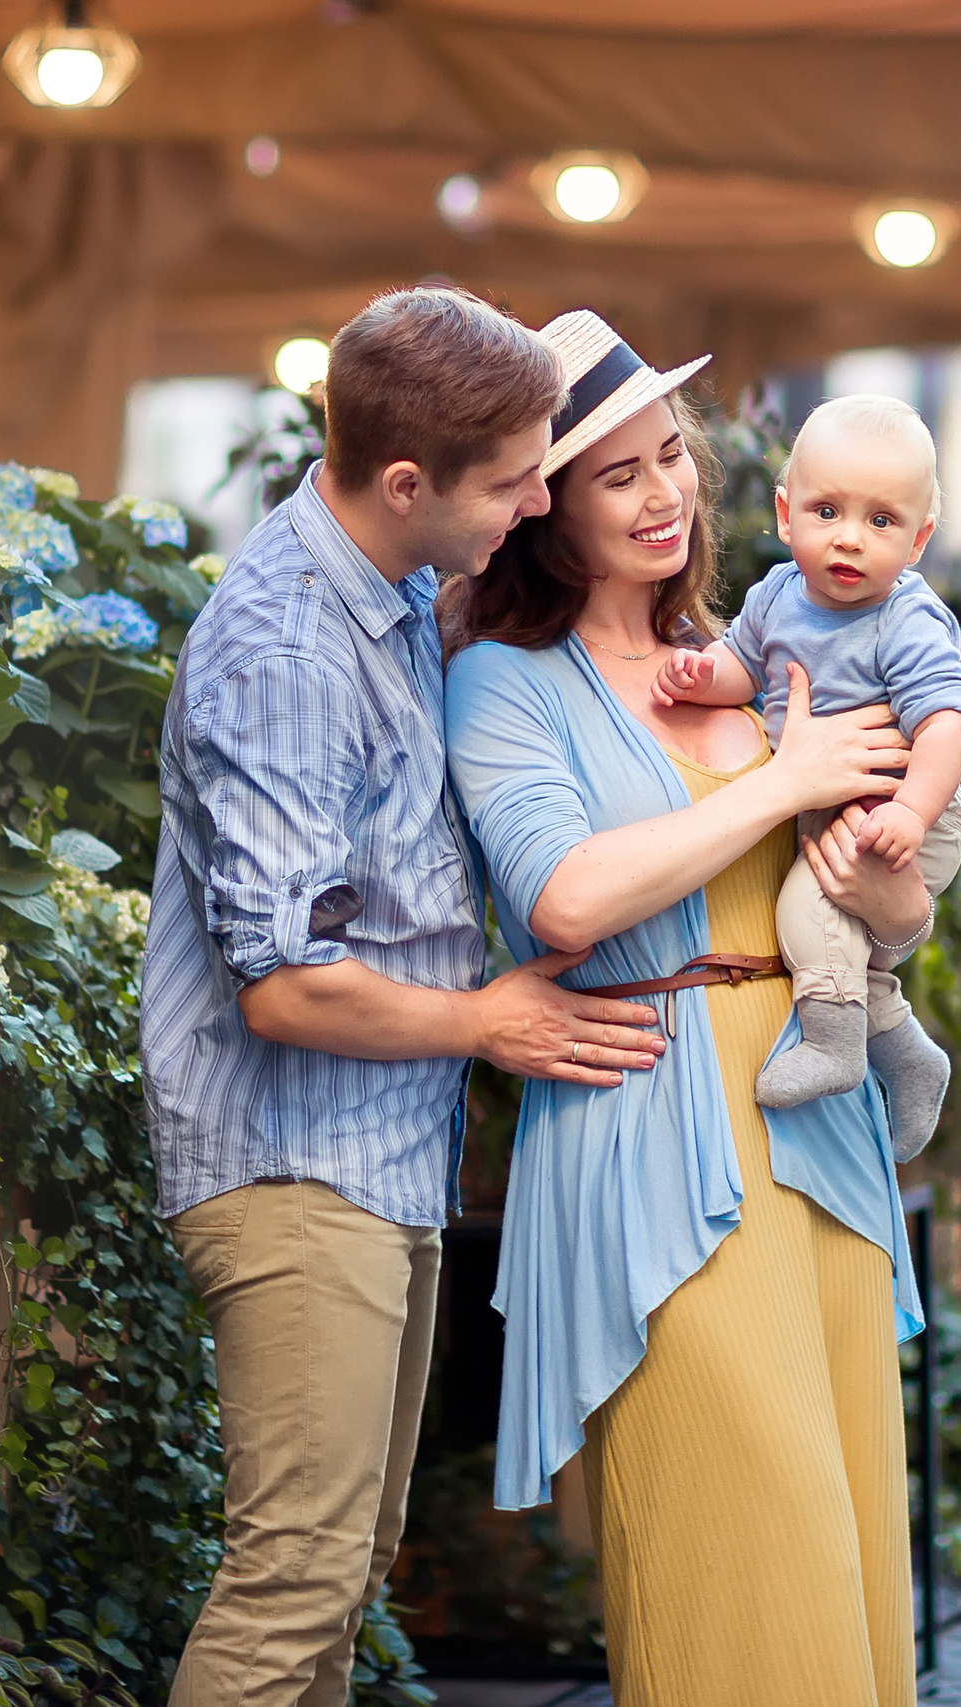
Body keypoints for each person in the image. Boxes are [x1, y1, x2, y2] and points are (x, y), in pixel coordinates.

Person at [140, 285, 671, 1707]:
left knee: (344, 1570)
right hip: (290, 1155)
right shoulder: (290, 649)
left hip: (374, 1151)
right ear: (403, 480)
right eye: (513, 481)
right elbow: (285, 987)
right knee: (291, 1581)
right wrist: (492, 1019)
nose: (535, 499)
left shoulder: (385, 591)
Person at [443, 310, 933, 1707]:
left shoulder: (768, 654)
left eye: (675, 458)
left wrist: (881, 870)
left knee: (843, 1543)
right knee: (738, 1537)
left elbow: (895, 915)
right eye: (619, 475)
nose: (666, 495)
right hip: (653, 1114)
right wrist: (784, 784)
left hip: (818, 1123)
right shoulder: (506, 681)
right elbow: (566, 898)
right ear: (544, 507)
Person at [652, 393, 961, 1158]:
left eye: (882, 522)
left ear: (920, 538)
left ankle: (835, 1048)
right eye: (828, 512)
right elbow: (744, 668)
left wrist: (912, 815)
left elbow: (944, 726)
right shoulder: (775, 596)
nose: (850, 540)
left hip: (895, 812)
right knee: (843, 948)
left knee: (809, 916)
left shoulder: (907, 621)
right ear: (787, 513)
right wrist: (702, 674)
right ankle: (909, 1056)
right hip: (834, 810)